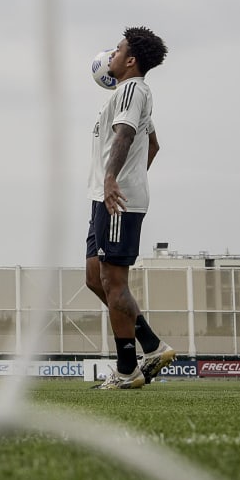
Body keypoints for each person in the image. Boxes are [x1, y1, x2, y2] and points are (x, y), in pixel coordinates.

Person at [86, 27, 176, 390]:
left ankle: (129, 368)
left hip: (115, 198)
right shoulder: (129, 94)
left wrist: (115, 181)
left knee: (114, 282)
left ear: (131, 59)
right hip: (104, 197)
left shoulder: (132, 90)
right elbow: (152, 145)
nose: (112, 54)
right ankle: (149, 348)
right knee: (96, 279)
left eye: (119, 49)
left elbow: (125, 136)